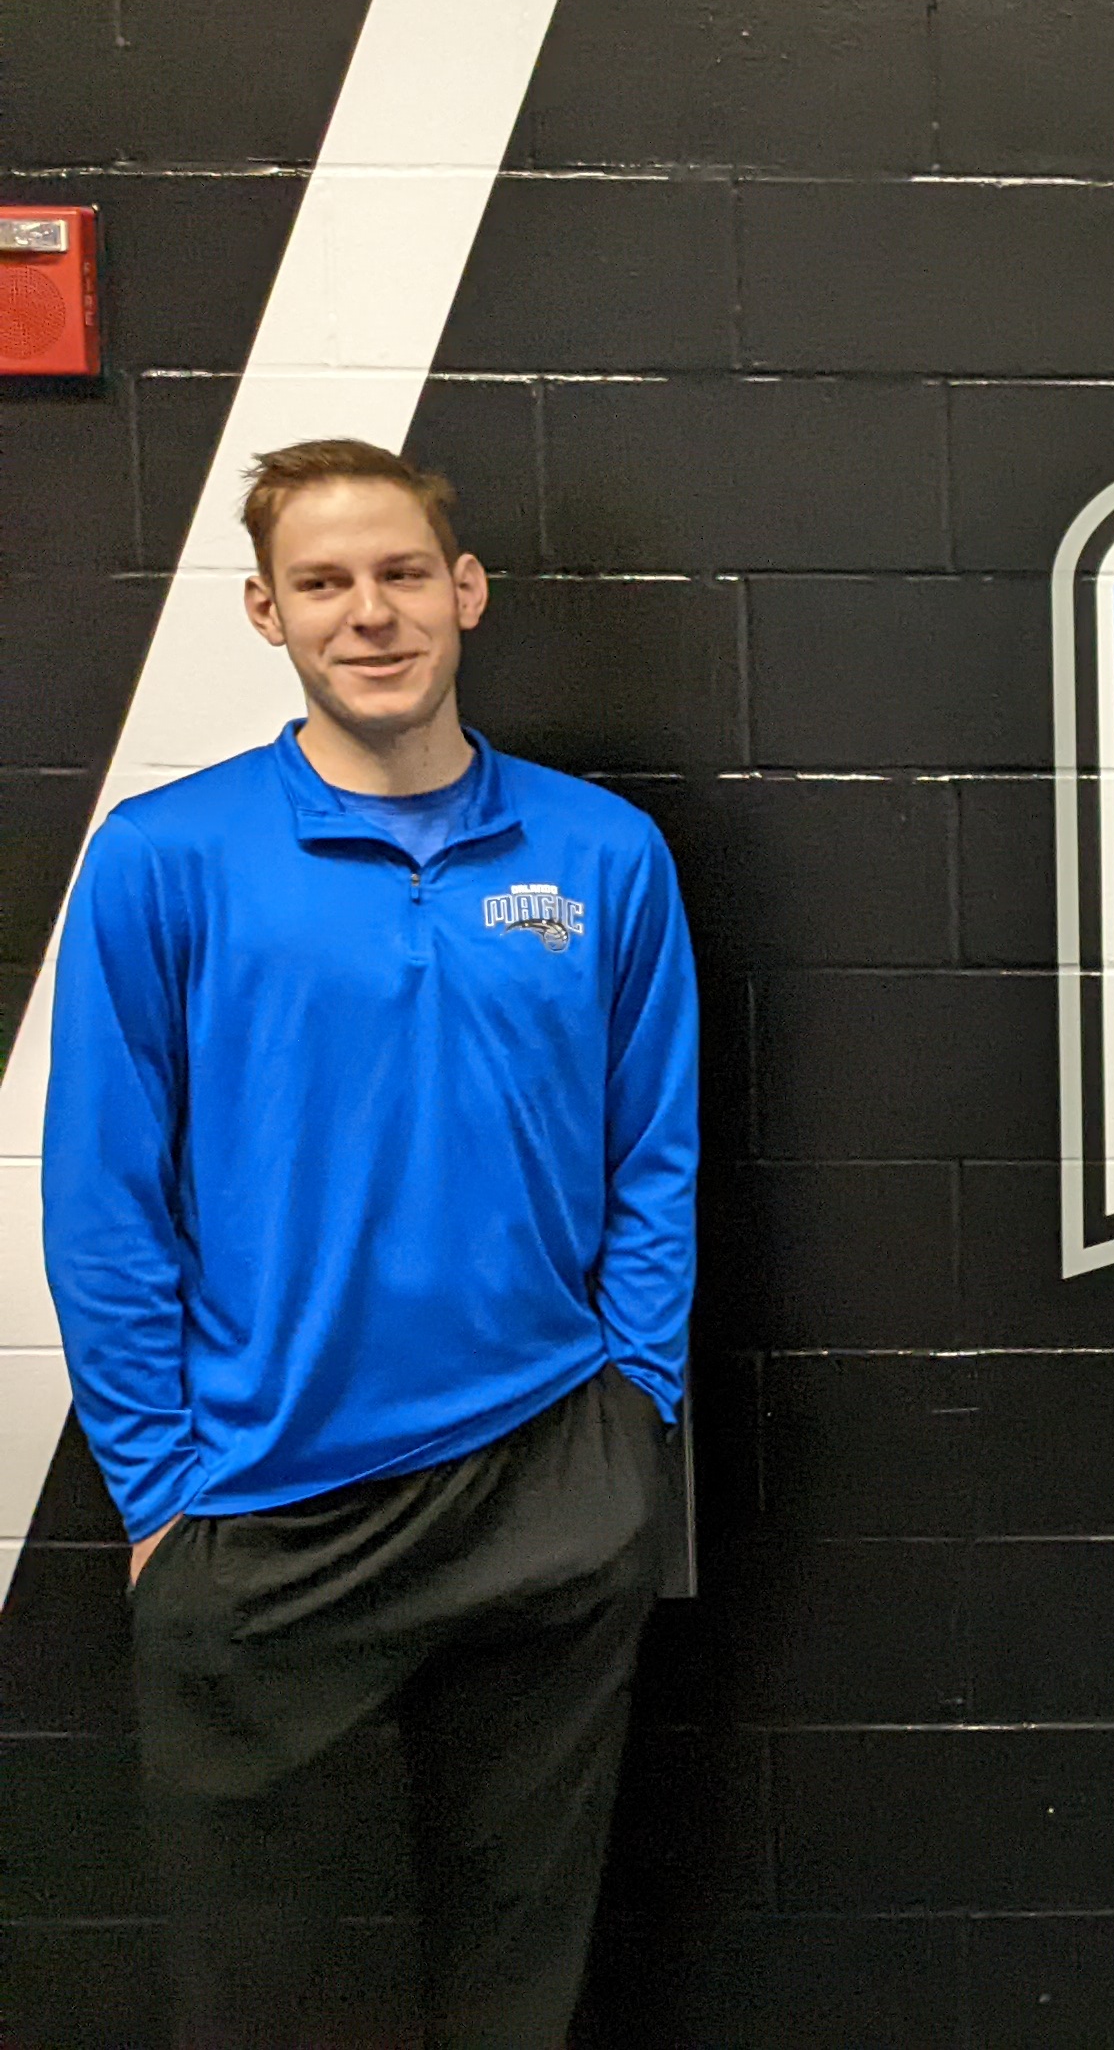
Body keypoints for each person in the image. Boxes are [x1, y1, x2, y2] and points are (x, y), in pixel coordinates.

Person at [42, 438, 698, 2049]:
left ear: (465, 592)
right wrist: (160, 1495)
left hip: (546, 1478)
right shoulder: (165, 857)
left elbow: (654, 1154)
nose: (371, 613)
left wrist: (631, 1416)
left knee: (514, 1987)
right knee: (266, 1998)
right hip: (263, 1507)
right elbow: (105, 1196)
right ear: (266, 613)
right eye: (324, 583)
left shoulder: (602, 855)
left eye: (403, 573)